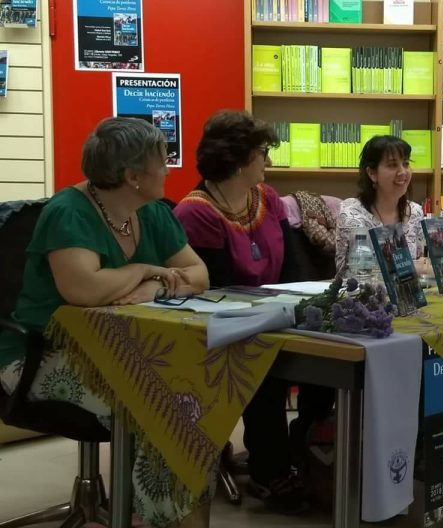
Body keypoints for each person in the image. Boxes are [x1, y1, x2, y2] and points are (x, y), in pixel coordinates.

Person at [0, 117, 210, 527]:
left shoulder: (152, 212)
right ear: (133, 176)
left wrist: (154, 289)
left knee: (190, 398)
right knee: (162, 406)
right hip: (41, 353)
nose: (168, 170)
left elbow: (199, 276)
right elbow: (85, 290)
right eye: (162, 161)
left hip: (121, 349)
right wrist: (143, 269)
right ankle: (154, 518)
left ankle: (153, 515)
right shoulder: (68, 212)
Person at [174, 110, 333, 515]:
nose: (268, 160)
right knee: (262, 366)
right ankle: (269, 470)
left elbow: (294, 267)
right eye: (262, 152)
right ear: (239, 160)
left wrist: (303, 306)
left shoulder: (268, 198)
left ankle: (303, 446)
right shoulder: (197, 212)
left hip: (272, 315)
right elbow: (217, 288)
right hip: (220, 327)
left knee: (331, 353)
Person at [335, 135, 430, 278]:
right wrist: (411, 269)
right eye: (392, 165)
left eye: (405, 163)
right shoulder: (352, 215)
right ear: (372, 173)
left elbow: (423, 264)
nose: (403, 172)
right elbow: (350, 275)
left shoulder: (415, 212)